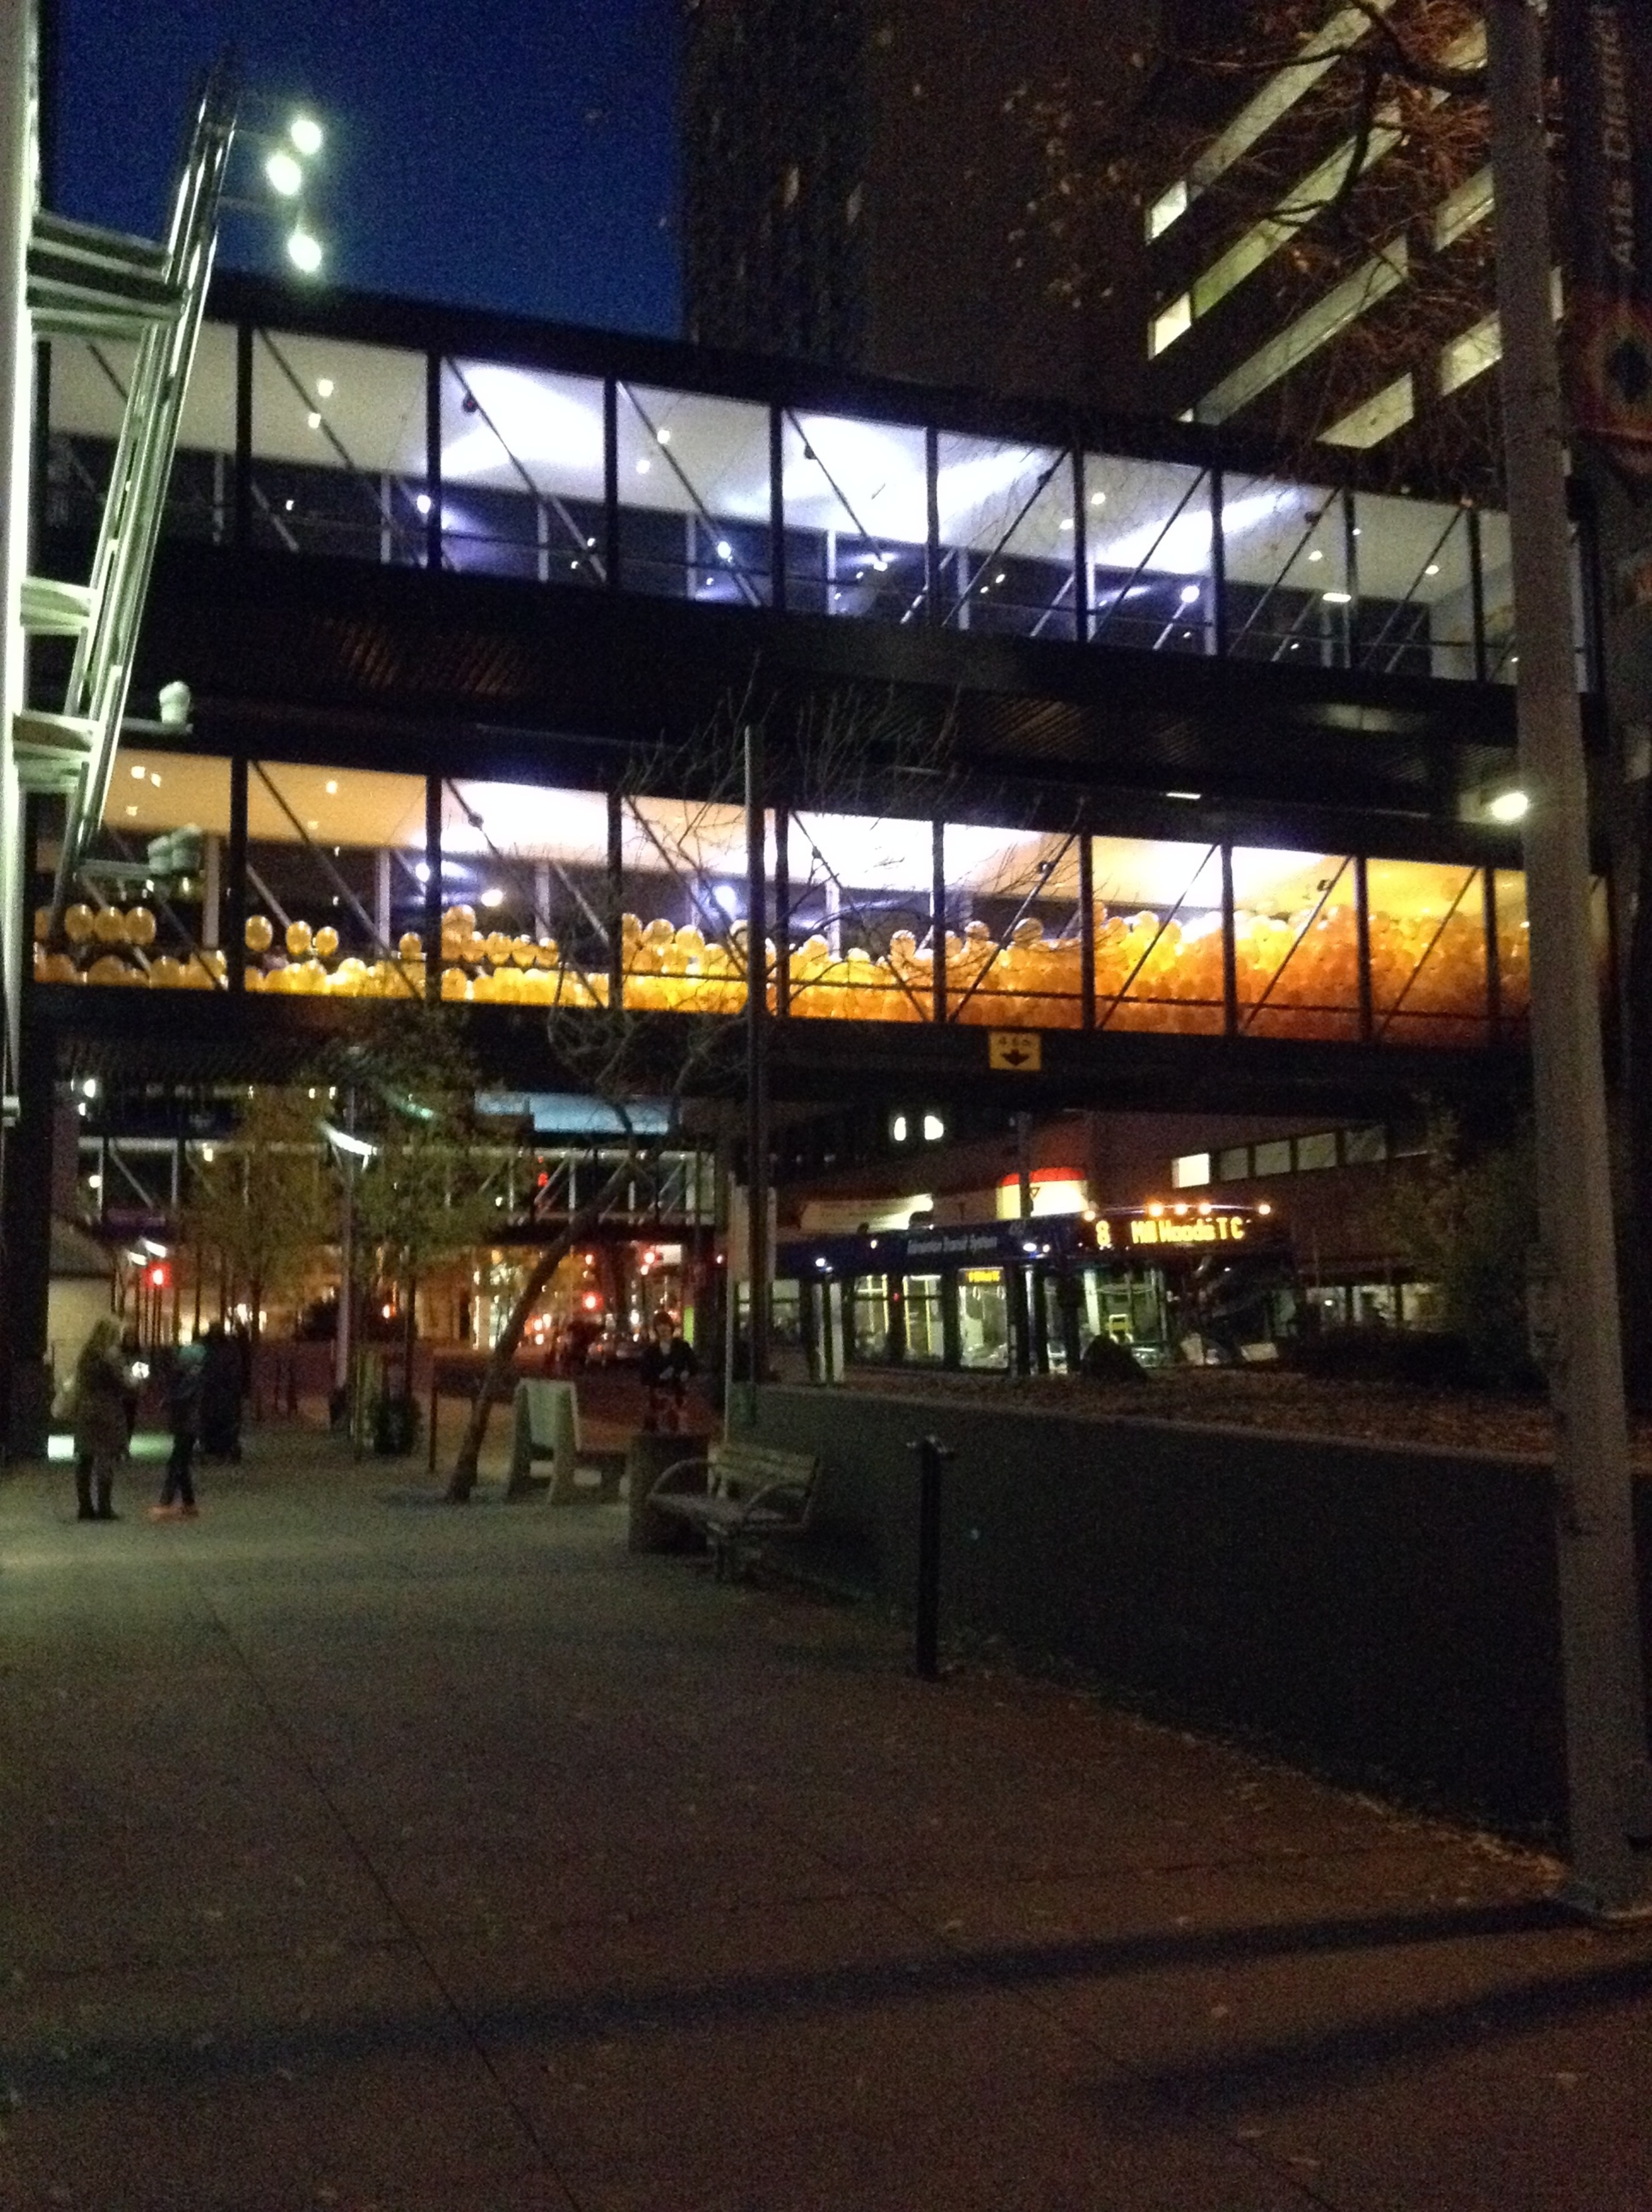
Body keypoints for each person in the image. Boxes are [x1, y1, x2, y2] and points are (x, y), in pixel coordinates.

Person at [70, 1316, 132, 1523]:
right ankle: (104, 1507)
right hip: (107, 1410)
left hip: (87, 1408)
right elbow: (124, 1383)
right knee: (105, 1457)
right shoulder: (112, 1355)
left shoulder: (86, 1354)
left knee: (85, 1458)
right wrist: (135, 1379)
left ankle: (85, 1507)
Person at [151, 1338, 205, 1519]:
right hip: (187, 1424)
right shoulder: (192, 1375)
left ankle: (166, 1502)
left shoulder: (192, 1377)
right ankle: (189, 1503)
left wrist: (167, 1402)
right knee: (181, 1463)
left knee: (177, 1463)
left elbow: (182, 1397)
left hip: (187, 1425)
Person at [640, 1309, 696, 1433]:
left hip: (678, 1393)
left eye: (665, 1324)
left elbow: (694, 1365)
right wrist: (660, 1378)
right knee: (661, 1427)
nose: (663, 1328)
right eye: (659, 1325)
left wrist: (686, 1373)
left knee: (680, 1425)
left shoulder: (682, 1347)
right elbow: (644, 1376)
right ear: (656, 1329)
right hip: (659, 1396)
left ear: (671, 1326)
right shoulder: (651, 1351)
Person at [198, 1323, 244, 1460]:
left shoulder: (226, 1349)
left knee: (223, 1418)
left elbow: (235, 1368)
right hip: (212, 1389)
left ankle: (222, 1446)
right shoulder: (209, 1348)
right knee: (211, 1418)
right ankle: (213, 1446)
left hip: (222, 1389)